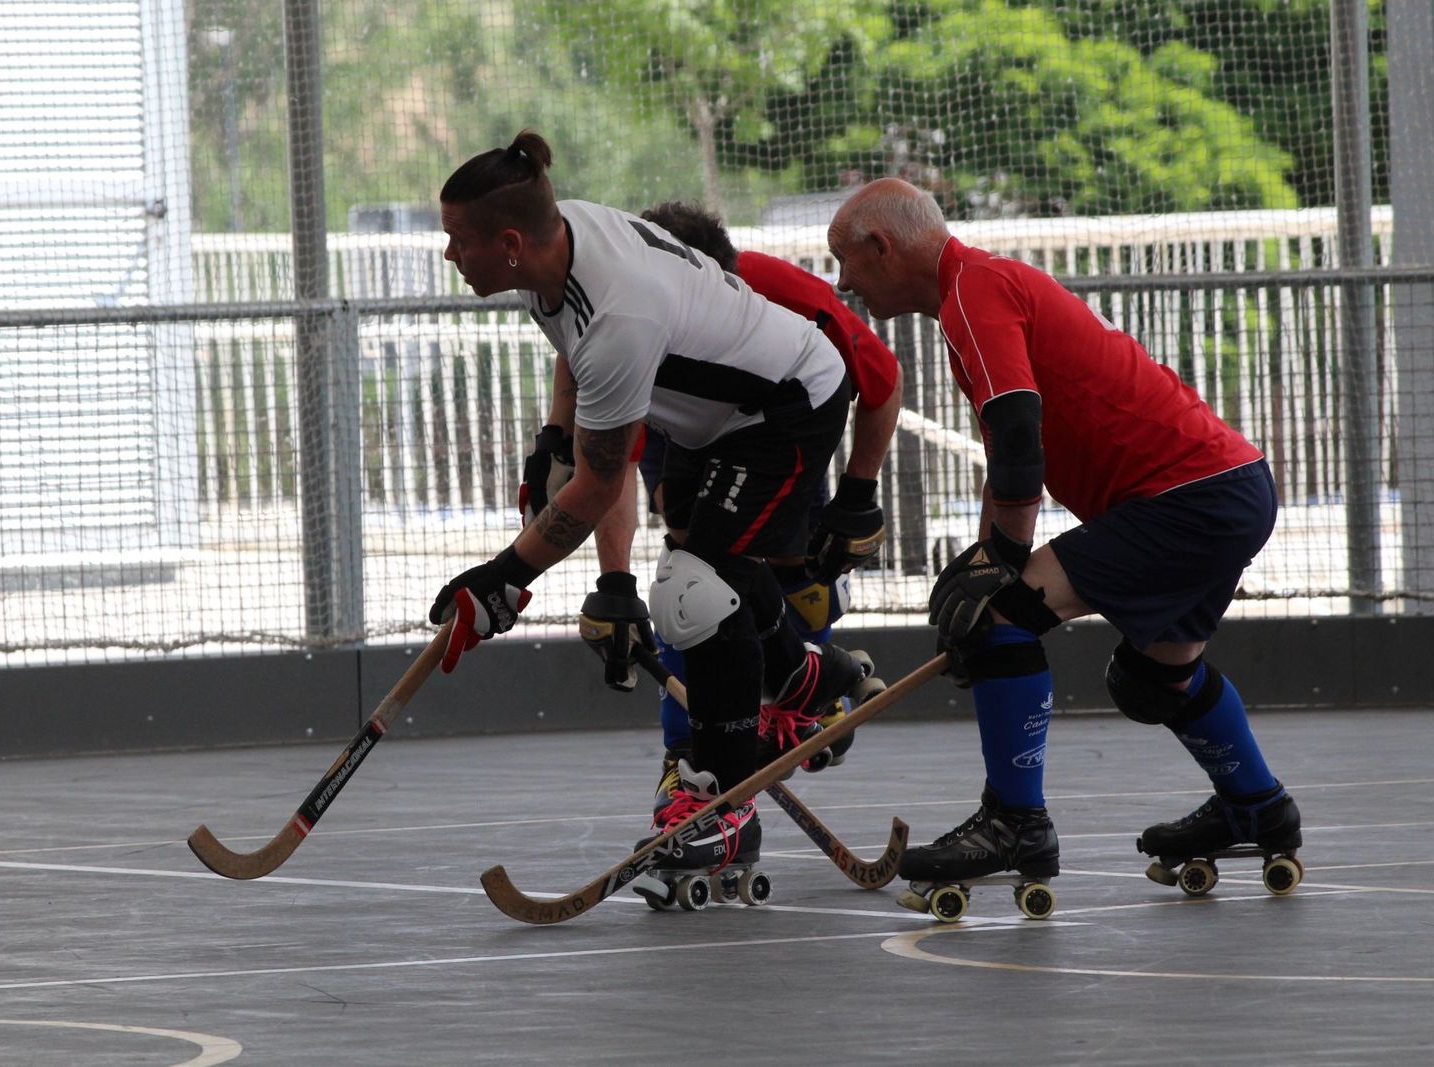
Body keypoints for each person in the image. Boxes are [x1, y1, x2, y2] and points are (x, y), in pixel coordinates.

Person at [430, 131, 883, 892]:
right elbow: (571, 344)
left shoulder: (620, 314)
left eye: (458, 241)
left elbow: (600, 485)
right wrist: (554, 438)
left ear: (508, 244)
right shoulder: (557, 240)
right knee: (716, 568)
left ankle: (724, 801)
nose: (450, 255)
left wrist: (502, 579)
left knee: (692, 588)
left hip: (786, 402)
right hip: (714, 414)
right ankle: (807, 677)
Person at [825, 177, 1301, 895]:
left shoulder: (974, 296)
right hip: (1229, 488)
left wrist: (999, 565)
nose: (844, 282)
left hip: (1190, 498)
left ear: (881, 247)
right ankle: (1260, 809)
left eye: (846, 262)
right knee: (1151, 680)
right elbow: (1013, 452)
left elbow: (1018, 440)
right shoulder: (982, 286)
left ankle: (1015, 821)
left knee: (997, 622)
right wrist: (991, 554)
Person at [577, 201, 900, 801]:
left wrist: (858, 494)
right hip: (685, 429)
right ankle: (698, 753)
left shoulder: (780, 290)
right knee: (688, 582)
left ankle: (801, 685)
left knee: (791, 571)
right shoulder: (624, 317)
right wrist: (615, 582)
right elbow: (608, 466)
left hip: (780, 418)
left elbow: (881, 379)